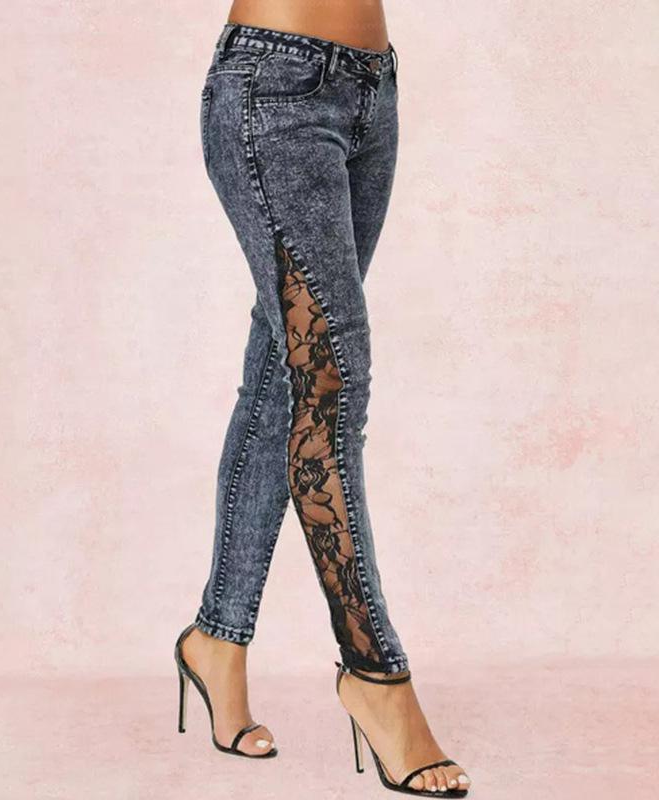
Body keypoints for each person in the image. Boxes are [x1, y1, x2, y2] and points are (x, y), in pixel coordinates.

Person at [175, 2, 472, 795]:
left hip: (373, 89)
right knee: (332, 384)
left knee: (287, 376)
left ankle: (216, 640)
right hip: (274, 90)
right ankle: (374, 673)